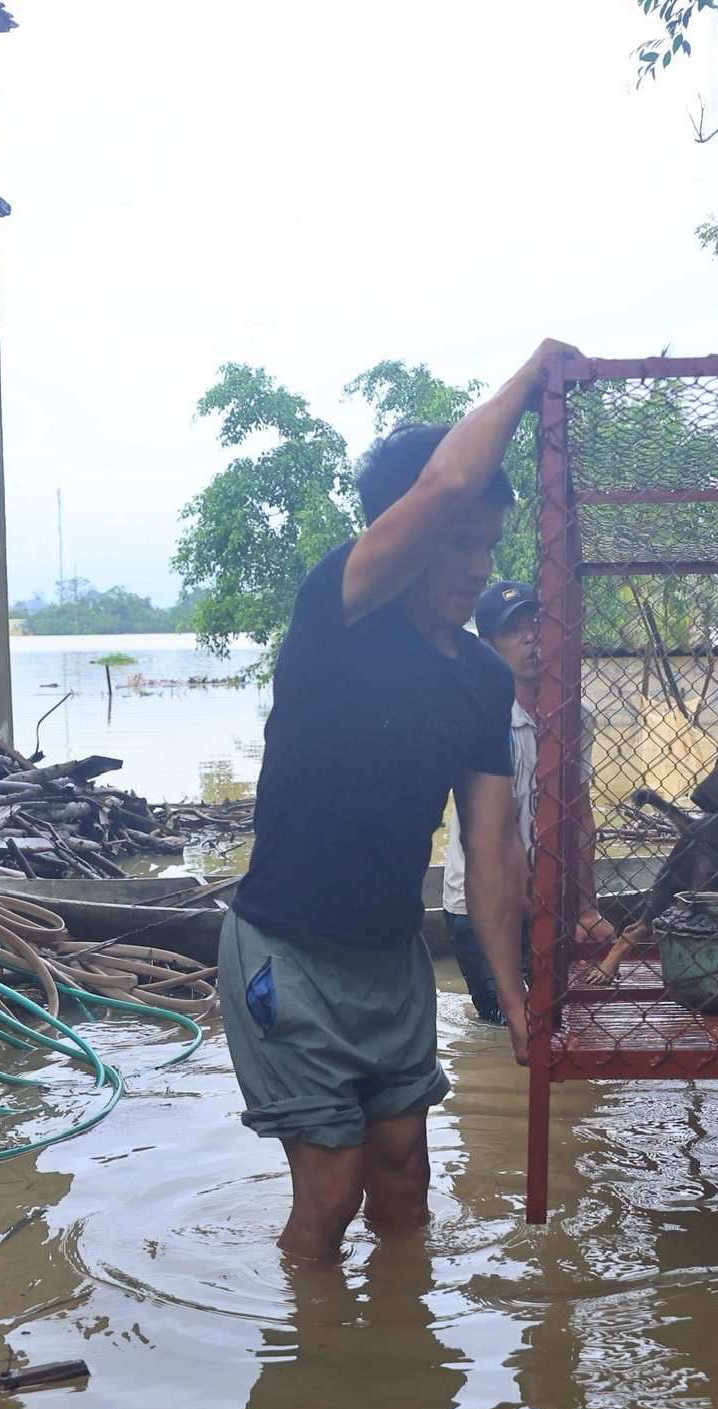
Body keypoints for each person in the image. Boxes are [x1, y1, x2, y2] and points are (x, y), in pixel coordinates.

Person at [223, 339, 576, 1264]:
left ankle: (398, 1377)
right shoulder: (336, 613)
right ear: (407, 530)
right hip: (287, 950)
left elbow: (492, 851)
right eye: (458, 541)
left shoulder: (477, 682)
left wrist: (514, 998)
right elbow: (450, 482)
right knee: (333, 1186)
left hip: (390, 963)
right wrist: (534, 371)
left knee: (406, 1184)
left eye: (487, 548)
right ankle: (311, 1370)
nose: (475, 565)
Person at [441, 581, 541, 1027]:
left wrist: (586, 905)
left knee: (546, 1020)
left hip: (541, 896)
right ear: (487, 647)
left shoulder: (574, 715)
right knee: (502, 1029)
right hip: (479, 901)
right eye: (512, 632)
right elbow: (499, 831)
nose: (529, 637)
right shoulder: (486, 718)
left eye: (534, 624)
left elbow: (581, 814)